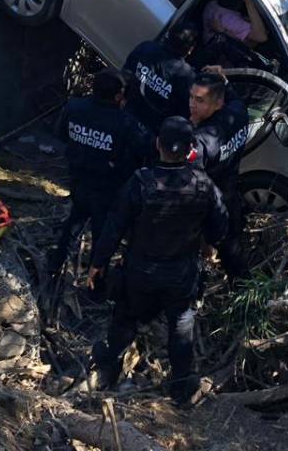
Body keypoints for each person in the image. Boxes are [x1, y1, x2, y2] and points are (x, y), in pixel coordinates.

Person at [87, 117, 228, 406]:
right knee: (181, 324)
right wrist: (208, 244)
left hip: (140, 269)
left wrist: (97, 263)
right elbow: (221, 226)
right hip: (181, 272)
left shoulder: (140, 182)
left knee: (126, 316)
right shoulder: (203, 185)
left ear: (157, 144)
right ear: (191, 149)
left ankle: (109, 368)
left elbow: (114, 225)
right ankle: (180, 386)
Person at [48, 69, 152, 282]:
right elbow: (147, 148)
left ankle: (55, 263)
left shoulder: (74, 106)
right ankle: (96, 283)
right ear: (117, 96)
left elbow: (60, 134)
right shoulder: (125, 122)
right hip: (107, 186)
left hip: (77, 177)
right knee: (102, 232)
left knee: (74, 220)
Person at [188, 70, 250, 278]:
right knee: (232, 246)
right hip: (230, 189)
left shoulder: (202, 139)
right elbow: (232, 96)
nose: (191, 104)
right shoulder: (239, 111)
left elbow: (189, 176)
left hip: (209, 200)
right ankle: (240, 283)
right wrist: (224, 79)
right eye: (191, 97)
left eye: (199, 100)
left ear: (218, 103)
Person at [121, 22, 198, 133]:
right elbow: (183, 114)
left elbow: (125, 75)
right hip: (150, 134)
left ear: (168, 35)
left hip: (125, 116)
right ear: (190, 49)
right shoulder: (187, 76)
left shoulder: (145, 48)